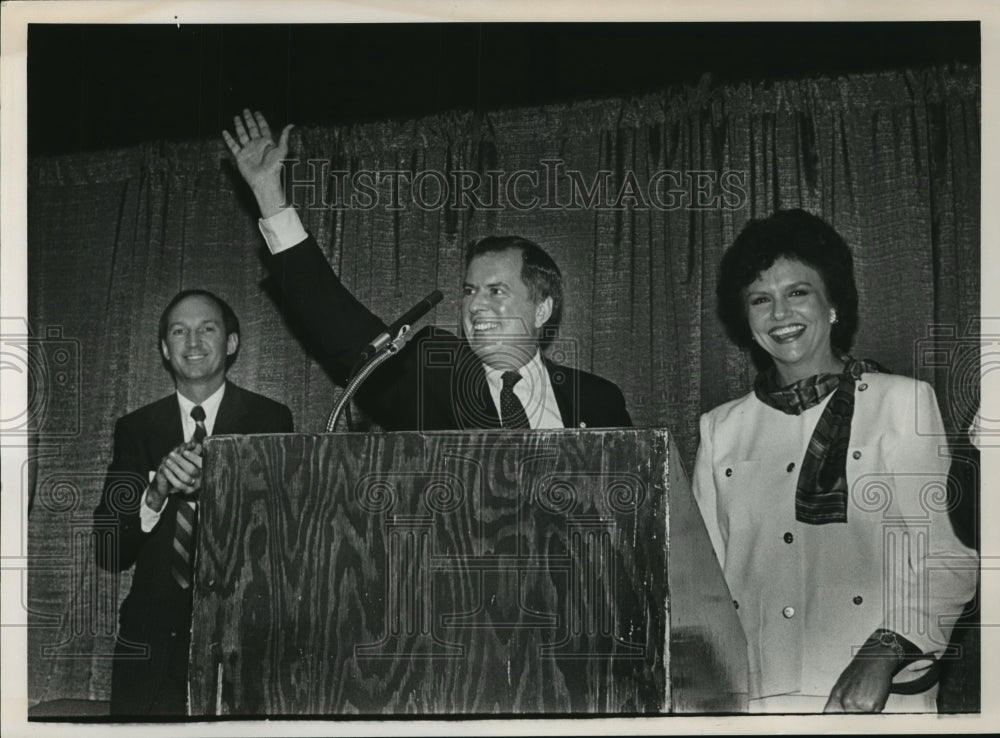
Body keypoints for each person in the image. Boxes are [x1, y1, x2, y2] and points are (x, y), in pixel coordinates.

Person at [692, 209, 977, 713]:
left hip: (875, 695)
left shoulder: (901, 403)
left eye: (797, 292)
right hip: (757, 699)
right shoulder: (720, 429)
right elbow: (704, 587)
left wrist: (883, 652)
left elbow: (949, 560)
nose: (780, 314)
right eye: (761, 299)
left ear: (833, 304)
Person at [222, 110, 631, 430]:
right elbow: (338, 327)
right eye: (470, 291)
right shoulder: (432, 379)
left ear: (542, 309)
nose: (475, 306)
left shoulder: (597, 400)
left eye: (496, 291)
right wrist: (268, 194)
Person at [93, 289, 294, 717]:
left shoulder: (270, 420)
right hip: (149, 643)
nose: (193, 342)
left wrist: (224, 486)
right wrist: (156, 493)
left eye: (207, 328)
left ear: (232, 343)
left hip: (241, 637)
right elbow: (108, 551)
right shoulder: (136, 429)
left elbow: (284, 542)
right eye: (179, 332)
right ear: (165, 350)